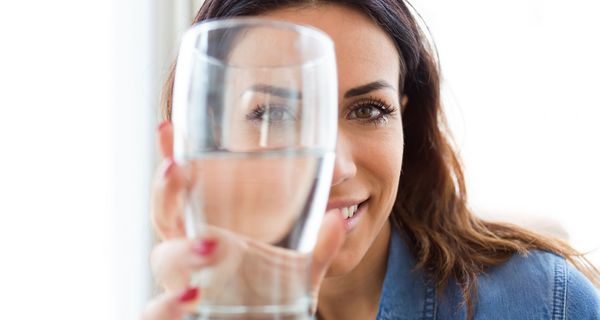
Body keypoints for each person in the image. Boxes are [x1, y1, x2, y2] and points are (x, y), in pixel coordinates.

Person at [144, 1, 600, 319]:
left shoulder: (543, 304)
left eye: (367, 110)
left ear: (405, 116)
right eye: (277, 114)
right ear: (209, 133)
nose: (335, 165)